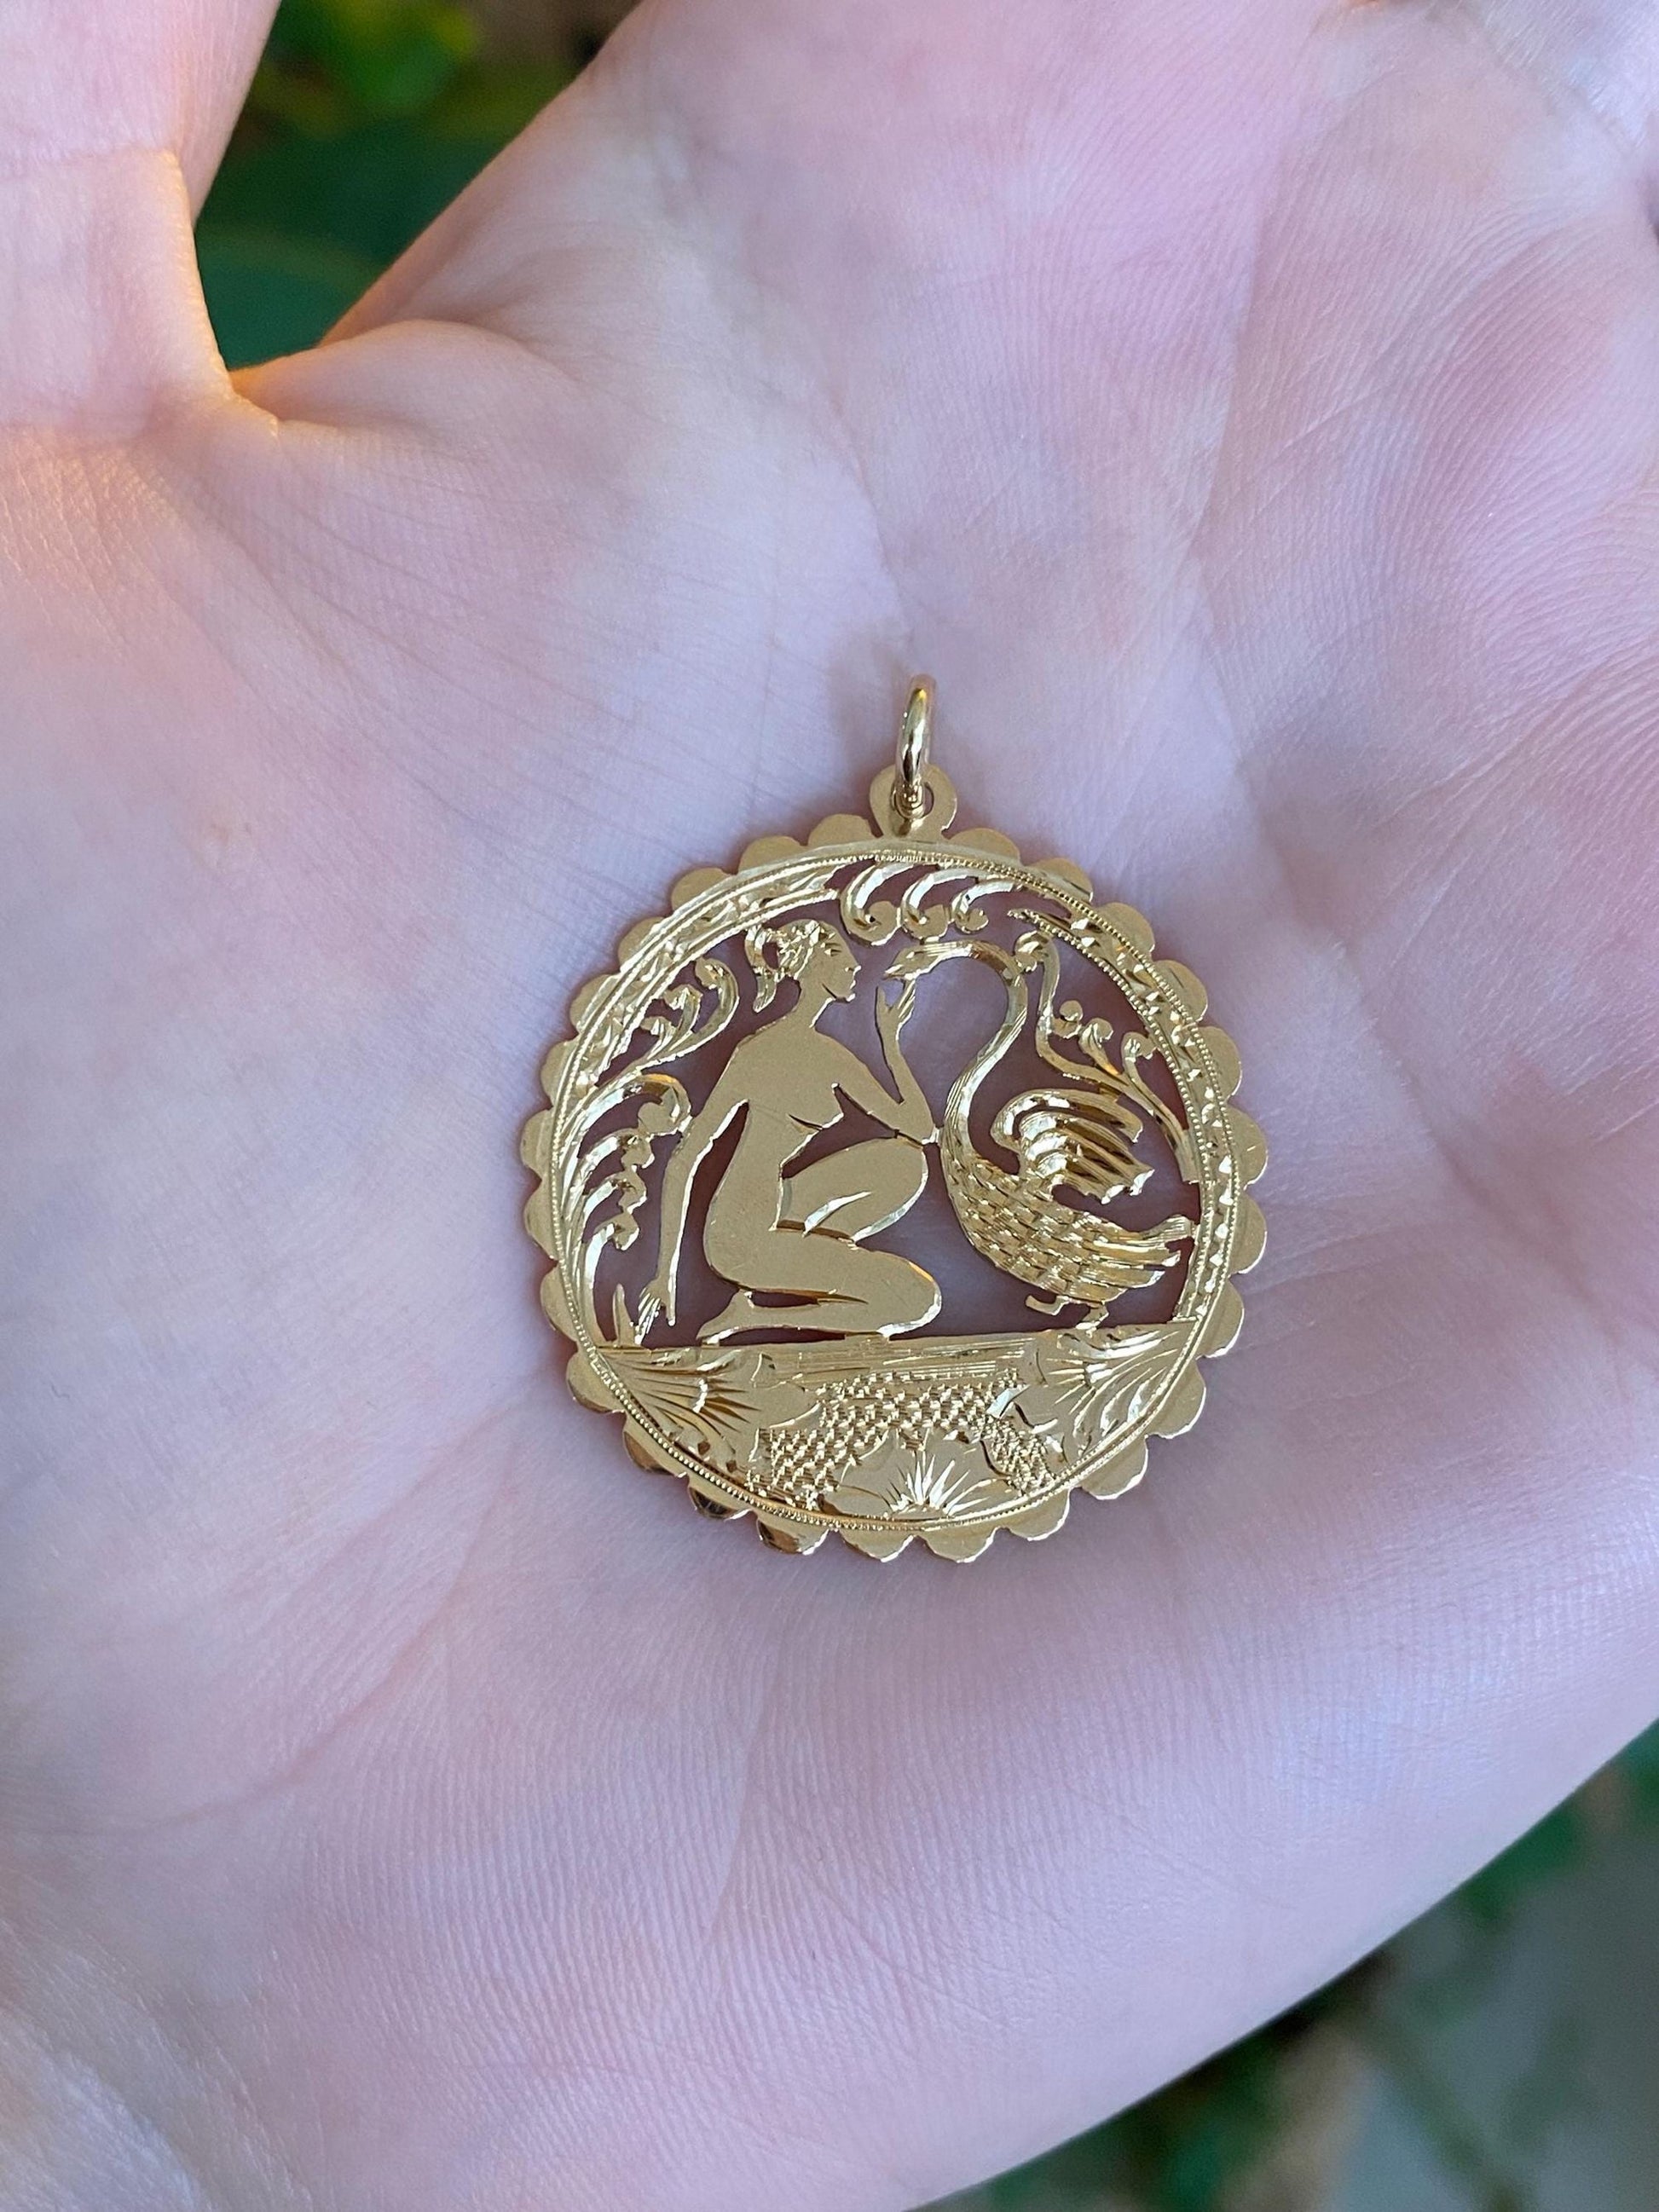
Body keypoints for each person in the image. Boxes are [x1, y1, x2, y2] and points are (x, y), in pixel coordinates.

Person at [3, 2, 1659, 2208]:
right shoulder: (795, 1052)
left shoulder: (861, 1050)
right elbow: (781, 1182)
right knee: (854, 1273)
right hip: (756, 1303)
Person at [639, 919, 939, 1342]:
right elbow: (687, 1155)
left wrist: (891, 1043)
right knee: (917, 1299)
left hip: (787, 1207)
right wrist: (664, 1273)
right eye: (840, 955)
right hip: (739, 1236)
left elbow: (919, 1130)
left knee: (906, 1162)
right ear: (814, 965)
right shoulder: (757, 1052)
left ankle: (826, 1251)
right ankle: (751, 1317)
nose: (855, 965)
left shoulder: (829, 1055)